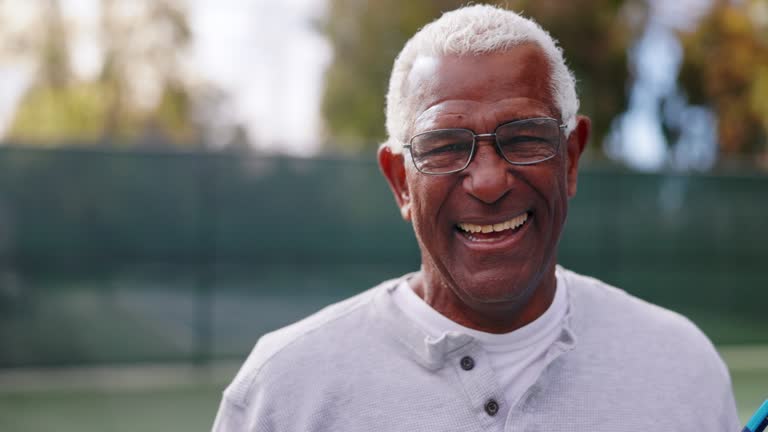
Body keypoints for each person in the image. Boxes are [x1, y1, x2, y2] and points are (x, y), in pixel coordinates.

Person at [212, 5, 739, 431]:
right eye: (443, 146)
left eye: (526, 137)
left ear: (572, 158)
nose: (488, 181)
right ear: (400, 181)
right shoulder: (281, 391)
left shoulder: (683, 365)